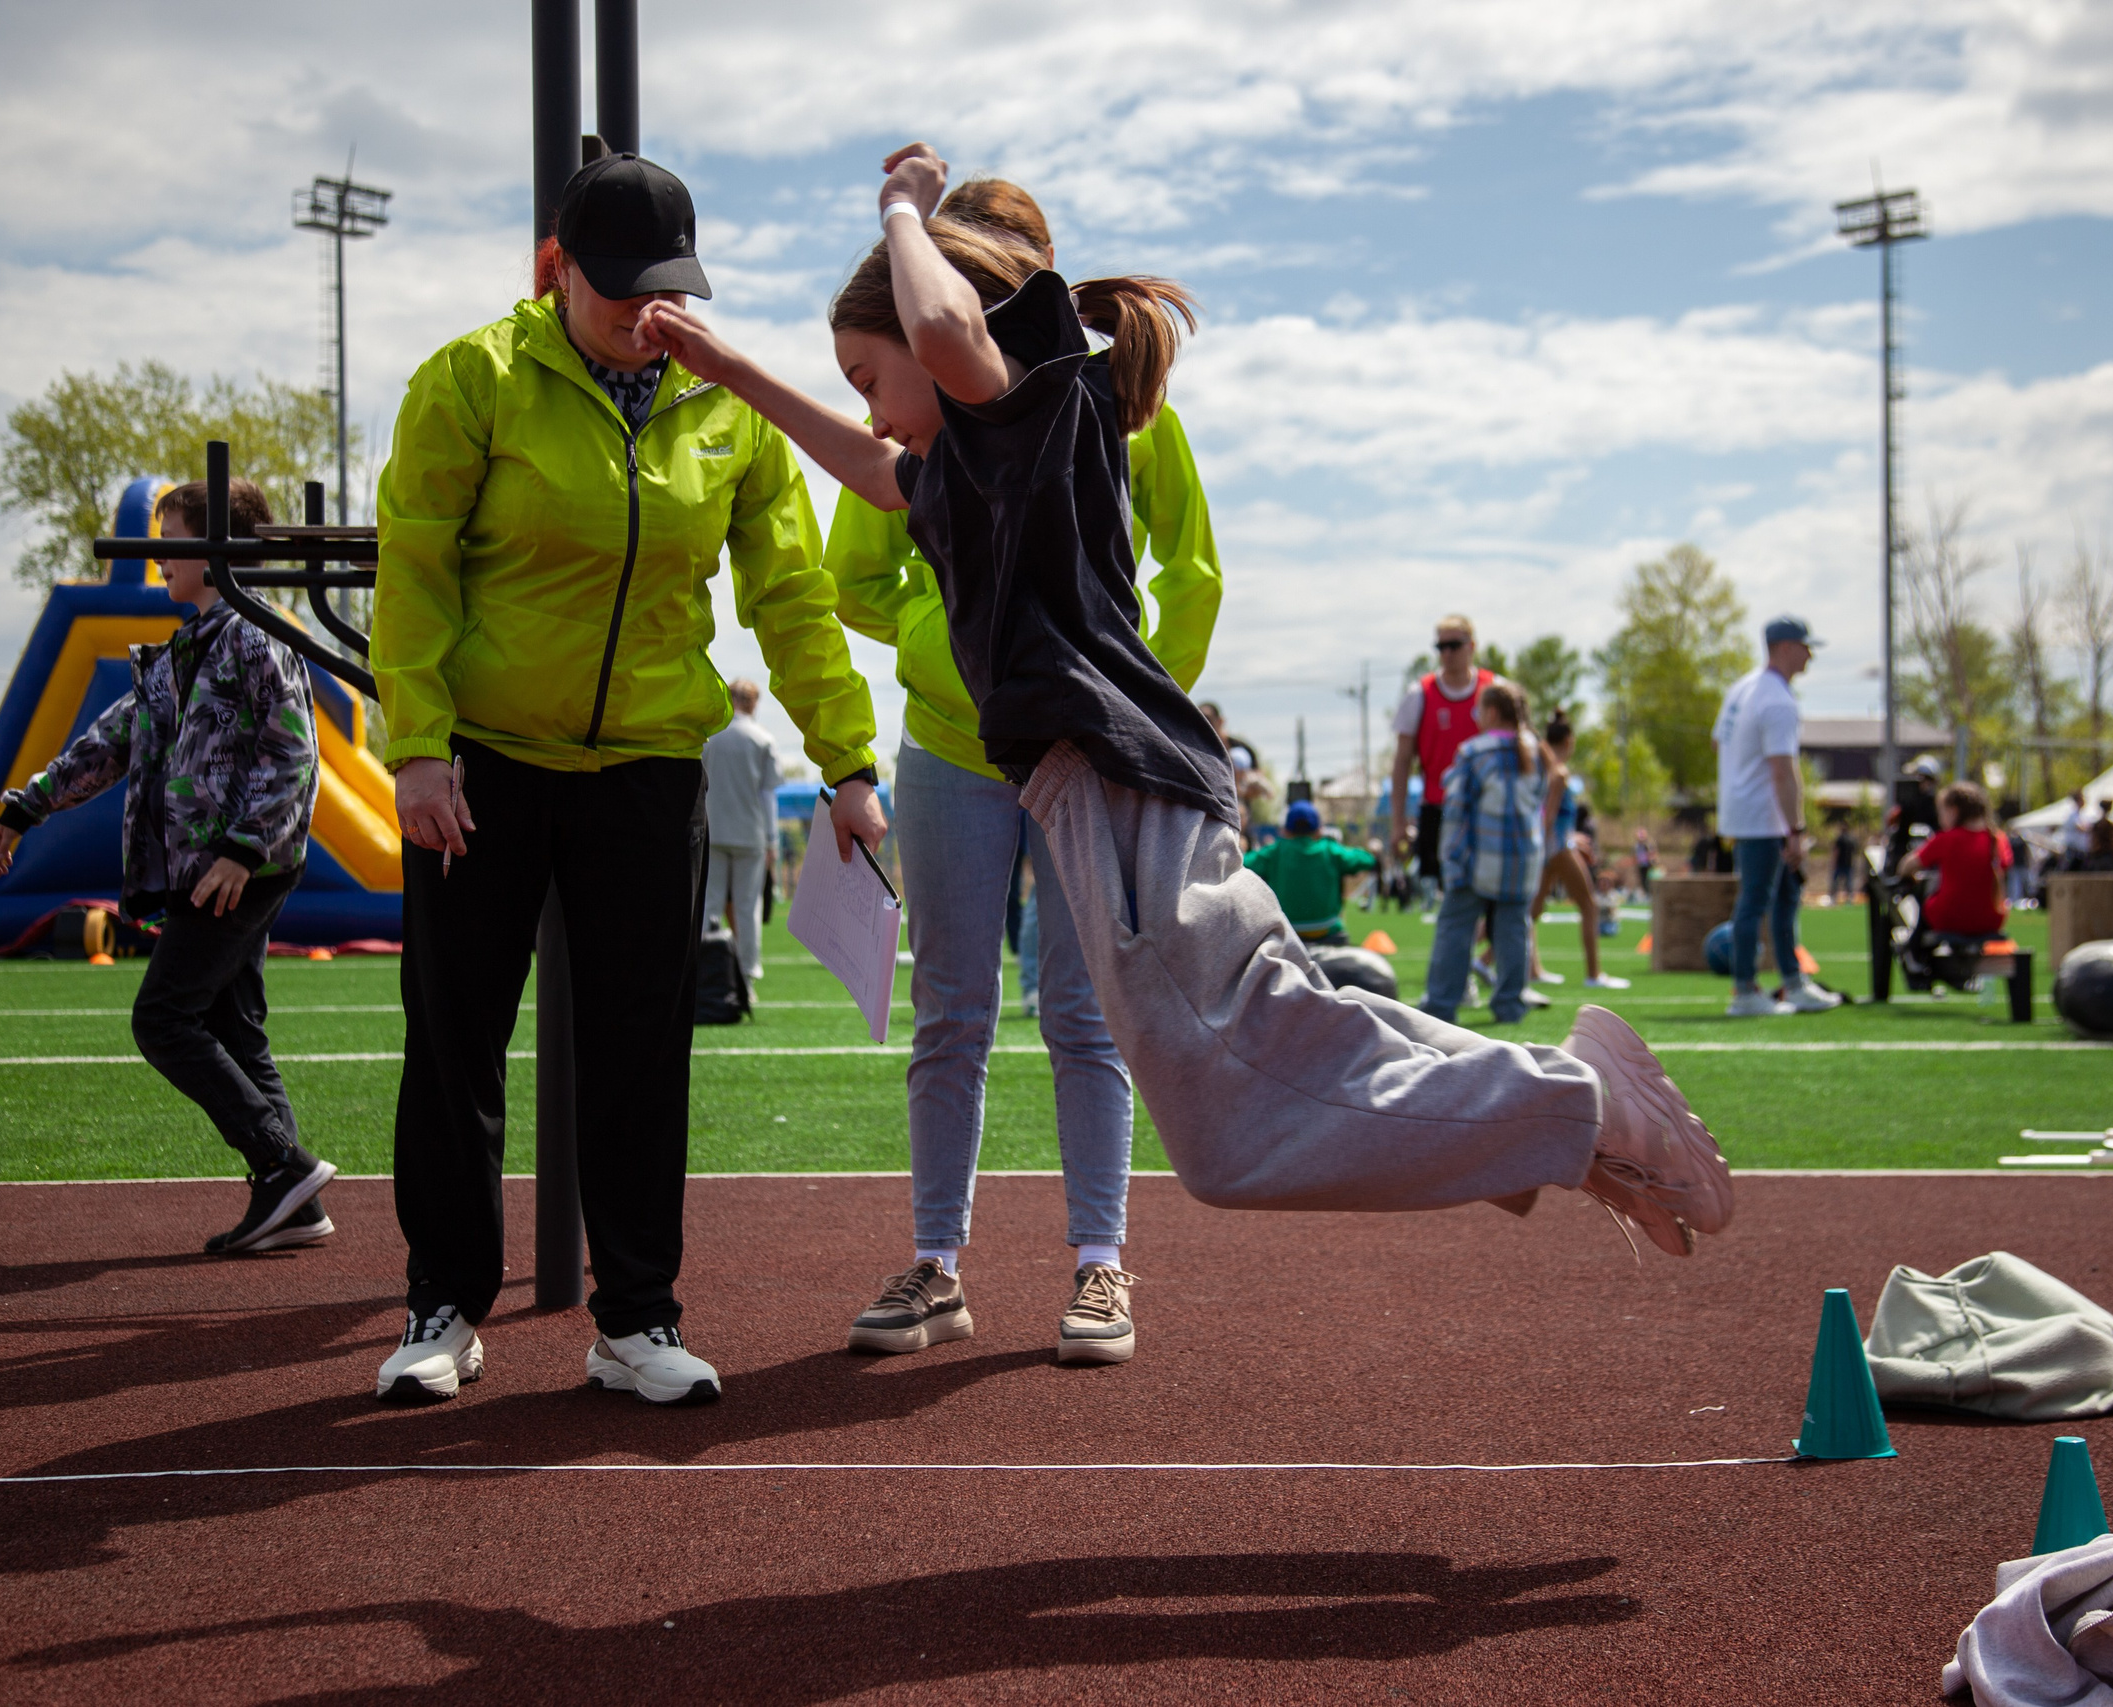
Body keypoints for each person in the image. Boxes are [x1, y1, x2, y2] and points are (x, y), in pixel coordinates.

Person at [629, 141, 1731, 1261]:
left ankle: (1578, 1105)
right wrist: (728, 369)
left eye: (869, 379)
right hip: (1100, 790)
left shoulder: (1031, 412)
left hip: (1123, 788)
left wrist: (903, 213)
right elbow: (868, 471)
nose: (867, 412)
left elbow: (947, 338)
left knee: (1232, 1134)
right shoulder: (969, 465)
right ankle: (1583, 1122)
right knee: (1283, 1044)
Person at [368, 152, 885, 1405]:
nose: (637, 312)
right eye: (611, 288)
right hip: (484, 764)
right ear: (555, 271)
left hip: (649, 767)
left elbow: (791, 600)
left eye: (663, 287)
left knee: (643, 1052)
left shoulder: (730, 406)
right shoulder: (471, 380)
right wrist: (420, 747)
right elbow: (418, 575)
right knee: (455, 1042)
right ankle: (443, 1308)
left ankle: (636, 1321)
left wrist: (850, 763)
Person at [820, 174, 1222, 1366]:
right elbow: (856, 573)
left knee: (1085, 1012)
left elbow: (1191, 575)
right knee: (952, 1012)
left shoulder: (1119, 399)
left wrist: (1121, 701)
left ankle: (1101, 1265)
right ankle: (935, 1265)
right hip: (950, 747)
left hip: (1082, 744)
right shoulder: (927, 424)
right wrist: (960, 643)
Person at [0, 479, 334, 1255]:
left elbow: (293, 754)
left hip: (238, 864)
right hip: (209, 863)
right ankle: (293, 1202)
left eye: (168, 540)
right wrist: (27, 804)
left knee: (163, 1017)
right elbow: (109, 741)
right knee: (234, 1027)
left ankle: (283, 1161)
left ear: (215, 553)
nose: (156, 560)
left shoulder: (255, 635)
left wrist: (242, 851)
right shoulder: (186, 646)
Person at [1711, 616, 1841, 1017]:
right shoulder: (1778, 700)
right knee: (1755, 902)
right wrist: (1796, 829)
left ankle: (1793, 982)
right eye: (1805, 647)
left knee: (1784, 898)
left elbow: (1719, 744)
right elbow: (1784, 770)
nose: (1810, 656)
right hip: (1764, 818)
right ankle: (1745, 991)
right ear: (1786, 647)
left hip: (1744, 809)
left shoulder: (1741, 688)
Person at [1420, 681, 1546, 1024]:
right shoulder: (1538, 752)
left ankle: (1441, 1005)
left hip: (1480, 861)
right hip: (1523, 861)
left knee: (1455, 928)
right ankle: (1509, 1005)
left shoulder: (1475, 752)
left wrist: (1452, 859)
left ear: (1491, 712)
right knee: (1513, 931)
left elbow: (1456, 813)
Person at [1388, 617, 1503, 913]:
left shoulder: (1494, 691)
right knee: (1449, 900)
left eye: (1454, 645)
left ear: (1472, 647)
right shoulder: (1420, 694)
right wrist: (1398, 821)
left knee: (1498, 898)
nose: (1447, 653)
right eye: (1441, 647)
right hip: (1439, 812)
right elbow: (1402, 761)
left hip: (1487, 811)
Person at [1527, 713, 1628, 989]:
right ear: (1569, 741)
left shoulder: (1543, 768)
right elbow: (1548, 817)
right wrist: (1558, 843)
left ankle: (1494, 962)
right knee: (1589, 905)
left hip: (1553, 846)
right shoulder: (1558, 771)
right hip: (1557, 848)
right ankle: (1594, 975)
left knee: (1532, 911)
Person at [701, 676, 782, 991]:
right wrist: (772, 840)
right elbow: (767, 796)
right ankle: (746, 978)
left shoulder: (710, 737)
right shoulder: (763, 739)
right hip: (751, 834)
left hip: (714, 830)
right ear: (752, 702)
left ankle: (708, 979)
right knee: (748, 907)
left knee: (710, 904)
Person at [1246, 800, 1377, 943]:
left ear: (1287, 829)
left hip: (1287, 931)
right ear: (1319, 829)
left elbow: (1244, 863)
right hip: (1327, 929)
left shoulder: (1275, 851)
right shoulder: (1330, 850)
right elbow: (1366, 860)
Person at [1897, 780, 2011, 942]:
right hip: (1991, 919)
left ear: (1953, 811)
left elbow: (1906, 866)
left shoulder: (1947, 839)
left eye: (1941, 813)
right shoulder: (1998, 840)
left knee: (1925, 894)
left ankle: (1916, 954)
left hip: (1948, 918)